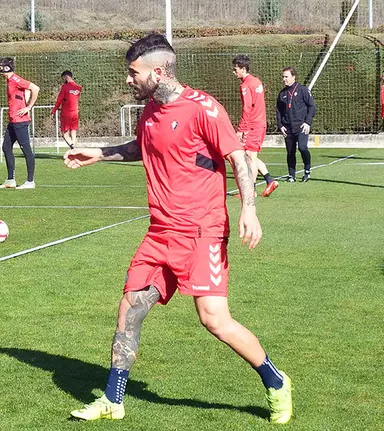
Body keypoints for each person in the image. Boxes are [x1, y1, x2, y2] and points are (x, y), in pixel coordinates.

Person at [64, 34, 293, 424]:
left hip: (202, 232)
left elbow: (237, 157)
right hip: (160, 233)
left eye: (133, 72)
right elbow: (142, 146)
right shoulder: (150, 111)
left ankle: (276, 381)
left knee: (214, 319)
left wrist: (249, 209)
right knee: (130, 307)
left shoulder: (204, 108)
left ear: (158, 71)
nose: (128, 80)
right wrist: (99, 154)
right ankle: (113, 400)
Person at [232, 55, 278, 197]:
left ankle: (251, 191)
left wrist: (241, 129)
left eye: (235, 69)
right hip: (260, 123)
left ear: (243, 69)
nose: (234, 72)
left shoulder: (245, 85)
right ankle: (269, 180)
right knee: (250, 155)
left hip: (253, 125)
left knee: (250, 156)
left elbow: (247, 108)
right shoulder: (257, 81)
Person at [0, 57, 39, 190]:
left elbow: (35, 88)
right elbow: (25, 92)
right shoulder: (10, 81)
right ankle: (10, 180)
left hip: (20, 122)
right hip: (13, 121)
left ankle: (30, 181)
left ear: (7, 68)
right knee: (6, 147)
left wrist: (28, 107)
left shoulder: (15, 79)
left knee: (26, 150)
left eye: (1, 67)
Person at [276, 66, 316, 182]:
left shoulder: (303, 90)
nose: (284, 79)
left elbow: (312, 107)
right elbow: (278, 111)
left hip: (301, 126)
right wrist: (280, 125)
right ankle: (291, 175)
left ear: (293, 77)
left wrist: (307, 122)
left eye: (286, 77)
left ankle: (307, 171)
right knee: (290, 152)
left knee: (302, 148)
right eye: (283, 77)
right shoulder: (282, 93)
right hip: (288, 127)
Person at [51, 70, 82, 150]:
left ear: (66, 77)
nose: (63, 80)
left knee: (64, 133)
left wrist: (54, 110)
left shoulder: (65, 87)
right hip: (75, 113)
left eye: (63, 78)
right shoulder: (78, 88)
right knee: (73, 132)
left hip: (66, 113)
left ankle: (73, 148)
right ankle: (74, 150)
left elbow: (59, 99)